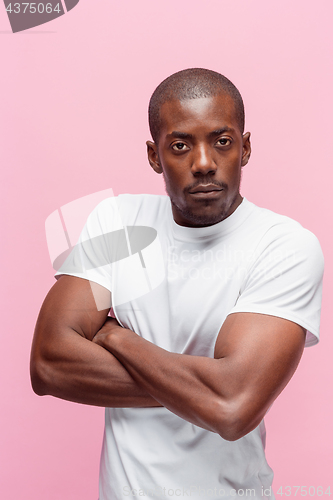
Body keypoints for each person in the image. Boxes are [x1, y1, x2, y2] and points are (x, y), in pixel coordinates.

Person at [30, 68, 324, 500]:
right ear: (154, 156)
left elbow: (232, 408)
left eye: (221, 141)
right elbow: (48, 366)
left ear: (244, 148)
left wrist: (115, 336)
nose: (203, 163)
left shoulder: (284, 245)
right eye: (181, 145)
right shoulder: (116, 221)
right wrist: (205, 388)